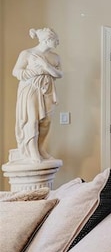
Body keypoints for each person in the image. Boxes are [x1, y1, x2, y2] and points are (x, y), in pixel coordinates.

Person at [13, 28, 63, 163]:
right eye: (55, 40)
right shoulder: (27, 54)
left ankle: (40, 148)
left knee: (46, 120)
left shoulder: (55, 57)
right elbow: (16, 71)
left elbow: (59, 74)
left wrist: (45, 66)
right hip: (30, 88)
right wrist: (37, 71)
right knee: (32, 119)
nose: (58, 42)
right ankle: (32, 150)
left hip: (48, 89)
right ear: (46, 40)